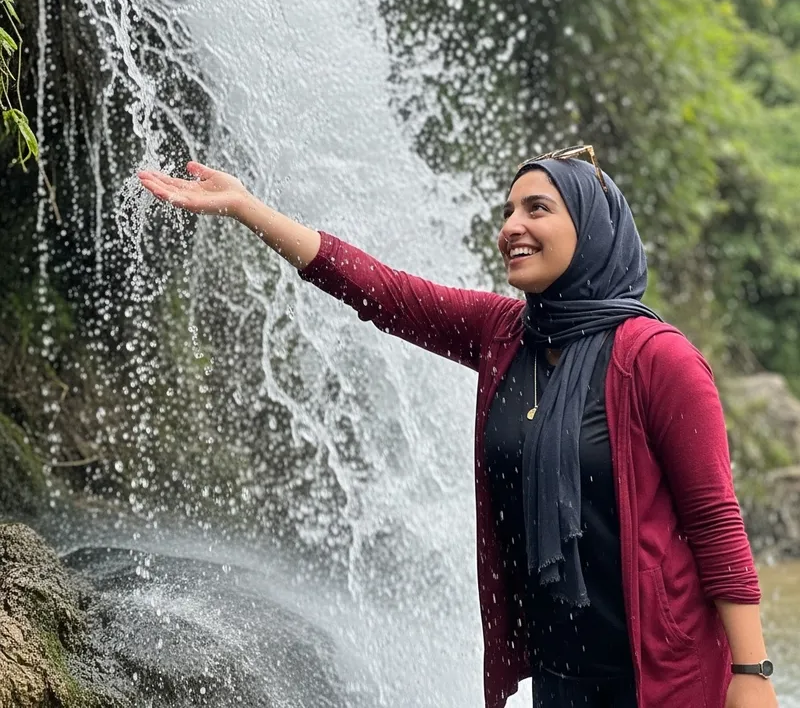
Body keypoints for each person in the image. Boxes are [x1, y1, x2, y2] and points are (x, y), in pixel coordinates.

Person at [137, 148, 779, 708]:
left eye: (536, 209)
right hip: (562, 674)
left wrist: (752, 674)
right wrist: (250, 209)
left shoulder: (657, 359)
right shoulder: (505, 334)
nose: (511, 227)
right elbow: (381, 291)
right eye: (507, 212)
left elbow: (715, 522)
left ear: (592, 230)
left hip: (664, 673)